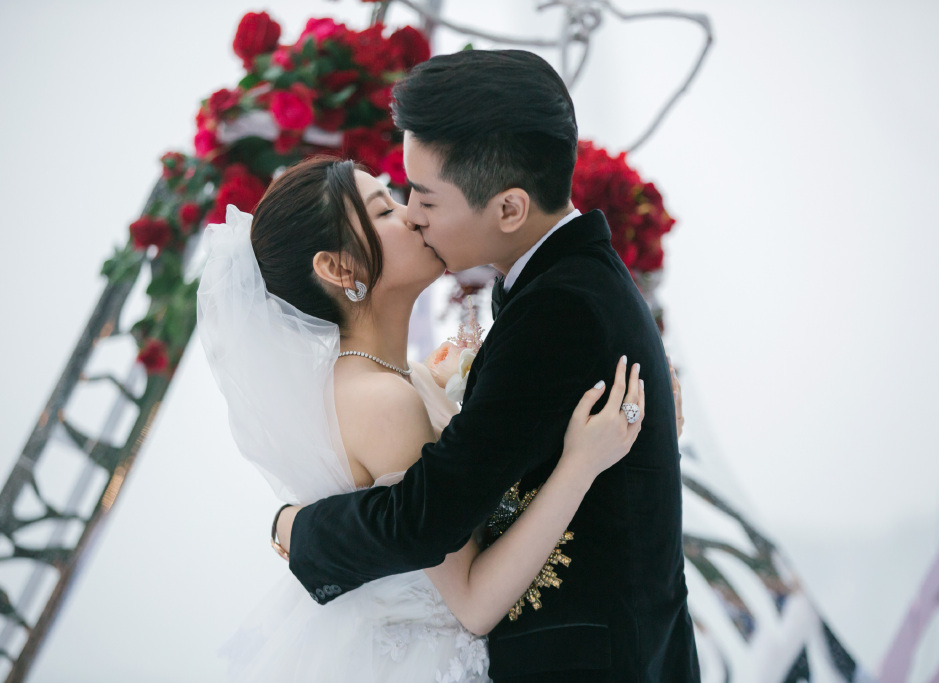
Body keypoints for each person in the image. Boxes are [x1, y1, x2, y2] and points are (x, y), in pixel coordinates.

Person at [275, 49, 701, 682]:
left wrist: (297, 531)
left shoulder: (561, 310)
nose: (412, 215)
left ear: (508, 209)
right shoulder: (566, 285)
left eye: (422, 198)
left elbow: (426, 517)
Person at [197, 156, 646, 681]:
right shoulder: (382, 402)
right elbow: (473, 603)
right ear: (339, 269)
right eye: (384, 210)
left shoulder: (400, 377)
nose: (412, 213)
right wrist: (581, 462)